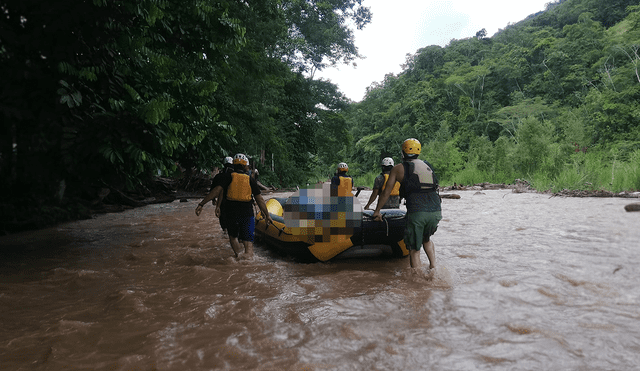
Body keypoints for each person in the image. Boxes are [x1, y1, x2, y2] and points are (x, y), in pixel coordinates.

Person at [372, 138, 441, 269]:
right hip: (435, 210)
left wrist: (377, 211)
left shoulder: (398, 168)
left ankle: (416, 281)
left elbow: (386, 192)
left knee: (414, 249)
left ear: (403, 151)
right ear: (418, 151)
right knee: (426, 239)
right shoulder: (427, 166)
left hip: (417, 211)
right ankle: (433, 268)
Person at [195, 153, 273, 258]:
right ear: (245, 166)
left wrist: (202, 204)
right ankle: (247, 259)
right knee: (248, 243)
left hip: (231, 213)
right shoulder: (250, 179)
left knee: (233, 237)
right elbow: (260, 199)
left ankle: (238, 256)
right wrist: (267, 215)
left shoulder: (227, 177)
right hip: (247, 214)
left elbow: (217, 191)